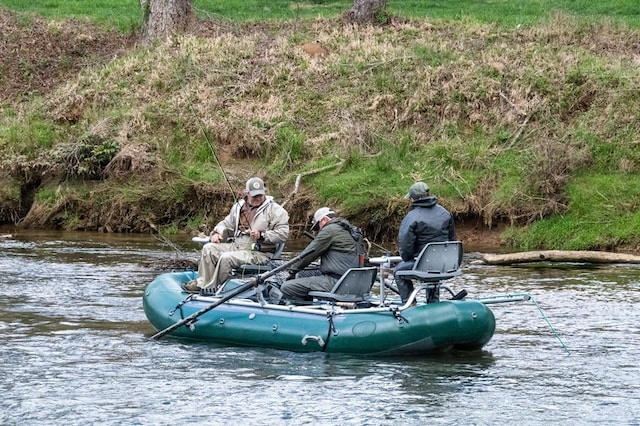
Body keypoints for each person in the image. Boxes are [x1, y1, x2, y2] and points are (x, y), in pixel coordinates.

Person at [184, 177, 289, 293]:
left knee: (226, 257)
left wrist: (262, 235)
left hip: (259, 253)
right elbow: (226, 223)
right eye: (254, 196)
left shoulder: (276, 210)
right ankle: (202, 284)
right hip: (236, 246)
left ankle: (216, 288)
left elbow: (283, 234)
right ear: (247, 193)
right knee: (208, 248)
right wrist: (217, 232)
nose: (258, 198)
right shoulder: (239, 207)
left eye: (260, 195)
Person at [280, 207, 362, 304]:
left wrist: (291, 271)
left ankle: (306, 312)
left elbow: (308, 254)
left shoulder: (329, 230)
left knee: (288, 287)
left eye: (318, 226)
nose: (319, 230)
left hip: (338, 282)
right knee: (303, 275)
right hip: (356, 282)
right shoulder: (352, 231)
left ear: (324, 220)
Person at [394, 182, 455, 304]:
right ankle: (433, 302)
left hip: (425, 265)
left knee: (398, 271)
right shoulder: (444, 213)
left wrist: (408, 258)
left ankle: (409, 304)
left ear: (413, 199)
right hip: (445, 264)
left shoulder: (412, 217)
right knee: (434, 268)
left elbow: (406, 246)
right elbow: (451, 238)